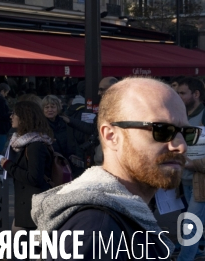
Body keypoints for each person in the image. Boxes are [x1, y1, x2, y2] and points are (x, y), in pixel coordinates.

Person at [32, 77, 199, 260]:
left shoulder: (114, 220)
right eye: (162, 129)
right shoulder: (96, 230)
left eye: (186, 133)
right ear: (111, 136)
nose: (181, 146)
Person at [0, 100, 53, 254]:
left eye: (14, 114)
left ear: (24, 117)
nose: (11, 117)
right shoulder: (23, 143)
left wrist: (8, 165)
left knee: (30, 251)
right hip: (26, 207)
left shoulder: (35, 145)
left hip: (34, 208)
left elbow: (34, 178)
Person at [176, 77, 205, 261]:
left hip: (200, 178)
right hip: (185, 179)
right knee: (193, 220)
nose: (178, 97)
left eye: (182, 93)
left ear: (196, 94)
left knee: (191, 223)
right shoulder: (181, 115)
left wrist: (194, 165)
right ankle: (198, 250)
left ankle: (184, 259)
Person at [42, 95, 83, 177]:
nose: (50, 110)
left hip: (67, 161)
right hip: (49, 163)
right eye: (46, 107)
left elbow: (72, 140)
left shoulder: (65, 122)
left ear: (58, 108)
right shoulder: (40, 125)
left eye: (53, 107)